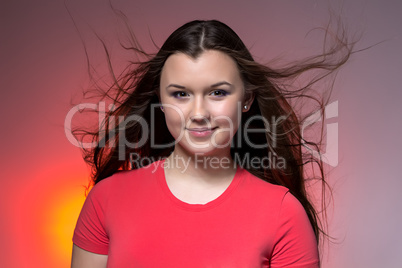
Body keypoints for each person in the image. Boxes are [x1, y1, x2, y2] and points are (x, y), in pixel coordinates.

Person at [71, 19, 352, 267]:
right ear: (160, 100)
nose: (198, 114)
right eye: (180, 94)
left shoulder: (284, 214)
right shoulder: (106, 200)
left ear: (247, 99)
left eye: (217, 92)